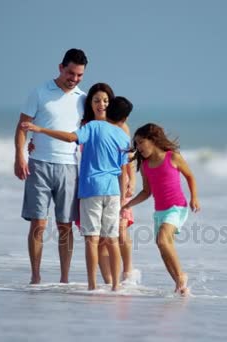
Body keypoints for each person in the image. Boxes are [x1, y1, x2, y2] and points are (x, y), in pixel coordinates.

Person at [28, 83, 136, 285]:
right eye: (96, 100)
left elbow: (70, 138)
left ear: (110, 105)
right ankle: (115, 286)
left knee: (92, 239)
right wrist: (123, 197)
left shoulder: (92, 127)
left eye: (105, 101)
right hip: (113, 192)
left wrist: (40, 130)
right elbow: (124, 168)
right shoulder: (121, 134)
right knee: (112, 239)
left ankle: (93, 285)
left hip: (91, 190)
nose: (101, 104)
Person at [14, 48, 87, 284]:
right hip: (39, 165)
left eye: (79, 75)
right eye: (71, 73)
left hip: (68, 167)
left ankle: (64, 279)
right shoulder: (39, 92)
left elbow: (88, 134)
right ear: (60, 67)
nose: (74, 79)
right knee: (39, 223)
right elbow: (23, 126)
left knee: (65, 225)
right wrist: (20, 156)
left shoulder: (83, 98)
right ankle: (35, 277)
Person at [121, 123, 200, 296]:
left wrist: (194, 197)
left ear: (153, 140)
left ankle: (181, 275)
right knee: (161, 245)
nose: (139, 147)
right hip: (160, 212)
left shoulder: (173, 157)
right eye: (137, 144)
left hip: (177, 207)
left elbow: (190, 176)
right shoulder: (145, 166)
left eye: (141, 142)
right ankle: (180, 287)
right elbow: (146, 192)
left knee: (163, 240)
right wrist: (128, 204)